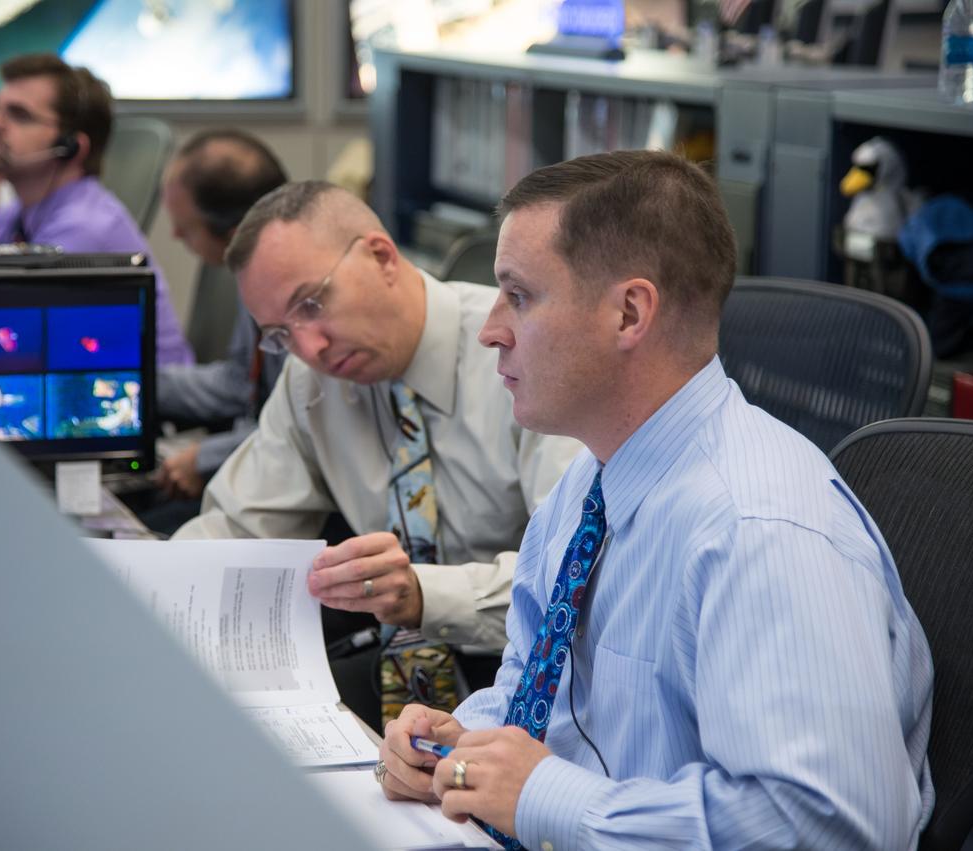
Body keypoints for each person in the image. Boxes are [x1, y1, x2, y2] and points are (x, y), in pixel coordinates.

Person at [377, 150, 934, 850]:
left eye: (518, 296)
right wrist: (461, 742)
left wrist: (543, 795)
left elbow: (833, 825)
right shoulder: (588, 483)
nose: (490, 329)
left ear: (629, 313)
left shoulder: (759, 529)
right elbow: (536, 692)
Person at [172, 181, 582, 725]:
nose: (309, 348)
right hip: (400, 667)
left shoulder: (519, 350)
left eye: (312, 303)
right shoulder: (311, 384)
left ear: (382, 256)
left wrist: (423, 594)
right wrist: (155, 585)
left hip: (538, 675)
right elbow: (238, 526)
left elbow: (575, 575)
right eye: (281, 335)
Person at [0, 53, 191, 366]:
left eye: (18, 115)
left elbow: (4, 340)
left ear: (71, 148)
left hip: (143, 392)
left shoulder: (85, 227)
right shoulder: (16, 215)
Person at [147, 130, 290, 522]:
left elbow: (303, 430)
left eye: (186, 226)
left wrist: (208, 458)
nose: (175, 234)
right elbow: (240, 384)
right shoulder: (253, 273)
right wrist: (143, 383)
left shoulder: (291, 293)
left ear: (232, 233)